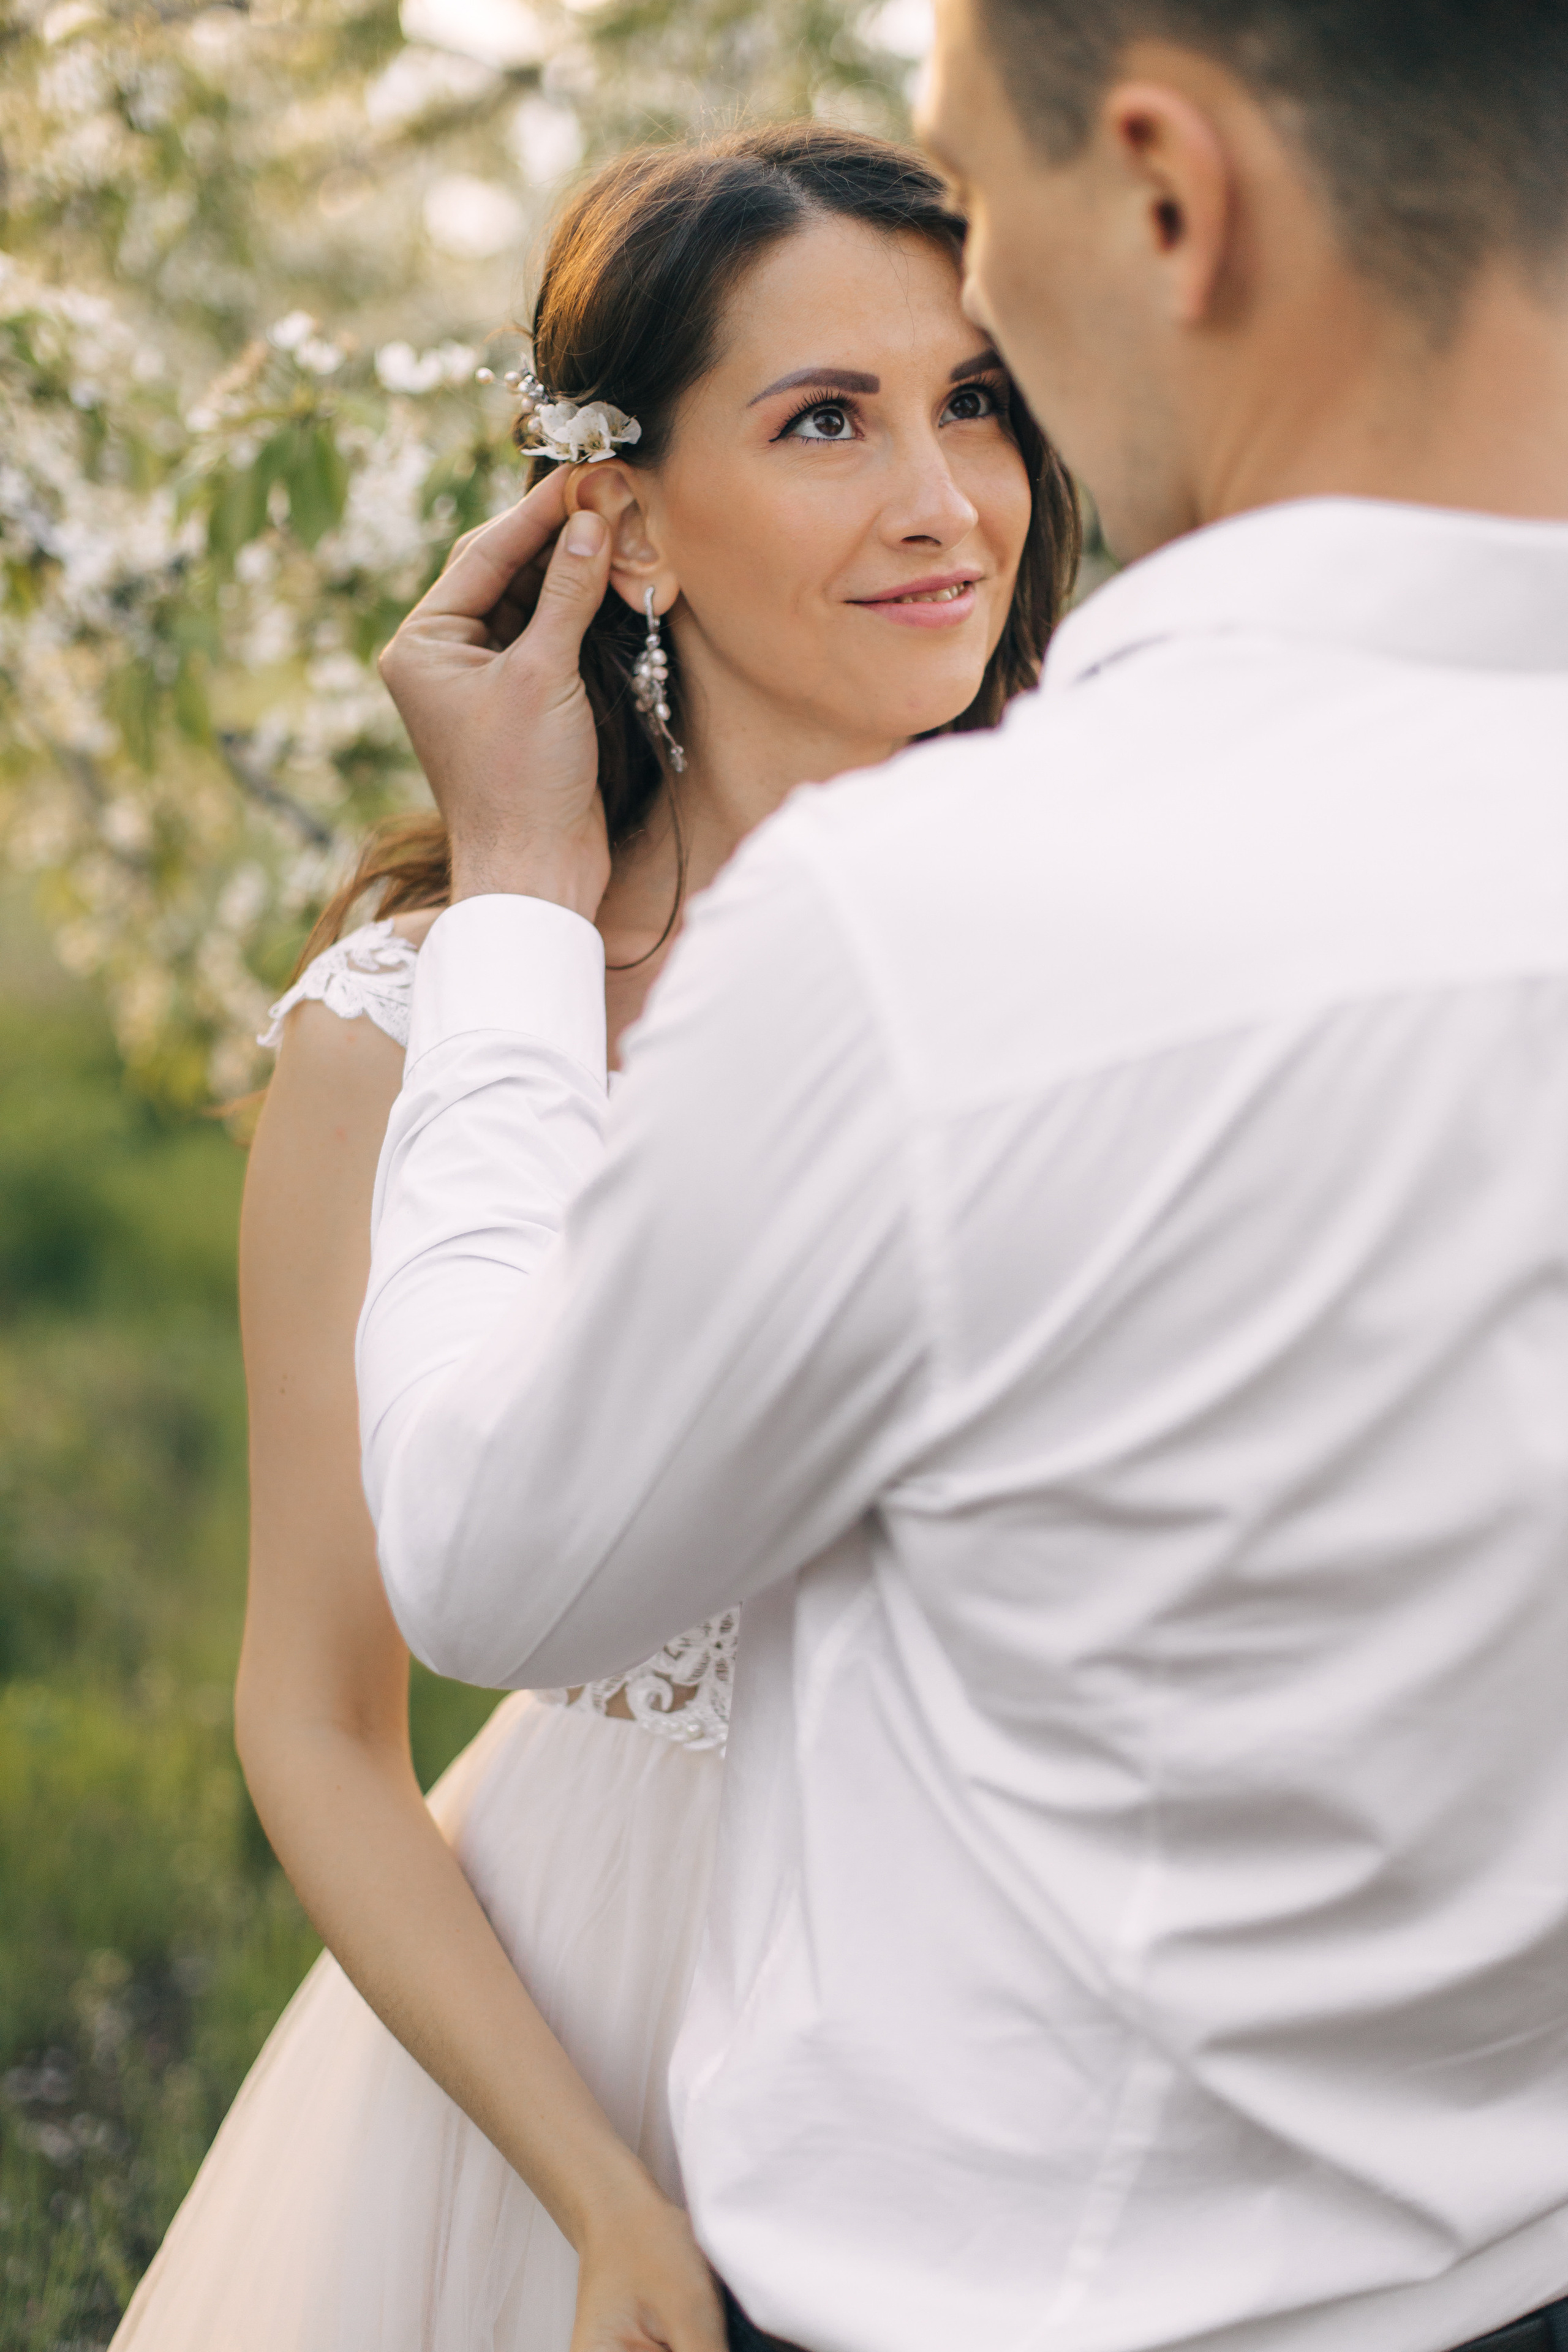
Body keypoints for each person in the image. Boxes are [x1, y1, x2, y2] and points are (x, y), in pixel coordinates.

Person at [361, 4, 1568, 2351]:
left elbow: (493, 1561)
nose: (952, 450)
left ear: (1168, 194)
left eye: (981, 249)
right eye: (833, 413)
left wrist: (516, 904)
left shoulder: (940, 933)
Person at [108, 123, 1077, 2352]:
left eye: (980, 400)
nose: (945, 500)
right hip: (570, 2033)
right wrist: (597, 2193)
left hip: (1015, 2035)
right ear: (616, 519)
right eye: (828, 419)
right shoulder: (397, 1032)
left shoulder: (1097, 958)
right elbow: (321, 1718)